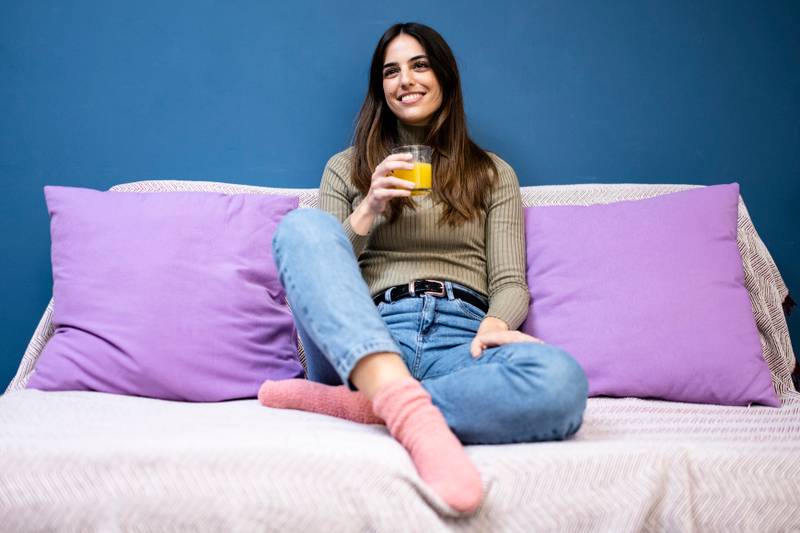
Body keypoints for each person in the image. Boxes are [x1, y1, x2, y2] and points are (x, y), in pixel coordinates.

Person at [258, 22, 588, 514]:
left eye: (419, 65)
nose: (404, 80)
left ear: (445, 78)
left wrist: (495, 325)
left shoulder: (493, 173)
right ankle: (395, 399)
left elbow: (509, 283)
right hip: (363, 335)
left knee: (563, 382)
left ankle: (372, 406)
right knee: (303, 227)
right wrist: (367, 210)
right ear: (380, 89)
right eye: (391, 71)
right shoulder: (344, 168)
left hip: (460, 342)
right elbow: (317, 267)